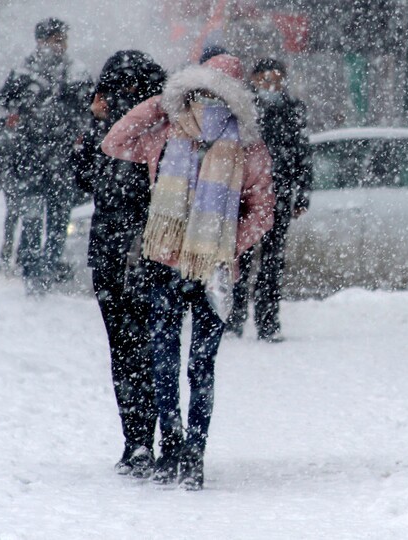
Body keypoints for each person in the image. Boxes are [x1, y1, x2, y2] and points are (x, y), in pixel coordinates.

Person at [102, 54, 275, 490]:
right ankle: (184, 449)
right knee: (185, 363)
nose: (204, 99)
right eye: (198, 90)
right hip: (174, 267)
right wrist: (163, 103)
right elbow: (115, 141)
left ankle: (184, 450)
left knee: (183, 362)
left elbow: (263, 211)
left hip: (202, 271)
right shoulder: (171, 131)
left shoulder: (244, 145)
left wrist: (221, 246)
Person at [71, 51, 166, 478]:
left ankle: (143, 439)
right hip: (132, 252)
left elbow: (83, 177)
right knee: (139, 349)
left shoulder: (154, 131)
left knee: (134, 350)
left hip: (138, 251)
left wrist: (95, 124)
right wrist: (93, 123)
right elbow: (82, 177)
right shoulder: (144, 129)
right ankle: (145, 439)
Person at [0, 18, 93, 292]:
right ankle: (32, 271)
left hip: (62, 161)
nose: (59, 45)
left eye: (61, 40)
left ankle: (47, 270)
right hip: (30, 160)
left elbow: (90, 112)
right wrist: (13, 117)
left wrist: (80, 132)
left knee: (59, 221)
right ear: (41, 41)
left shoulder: (76, 73)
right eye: (54, 40)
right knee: (33, 219)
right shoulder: (23, 73)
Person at [225, 58, 311, 342]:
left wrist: (303, 193)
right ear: (254, 79)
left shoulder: (293, 110)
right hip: (246, 196)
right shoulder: (243, 109)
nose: (272, 86)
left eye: (277, 79)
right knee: (241, 258)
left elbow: (303, 153)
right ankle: (234, 318)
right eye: (266, 79)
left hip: (280, 195)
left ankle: (268, 321)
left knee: (273, 262)